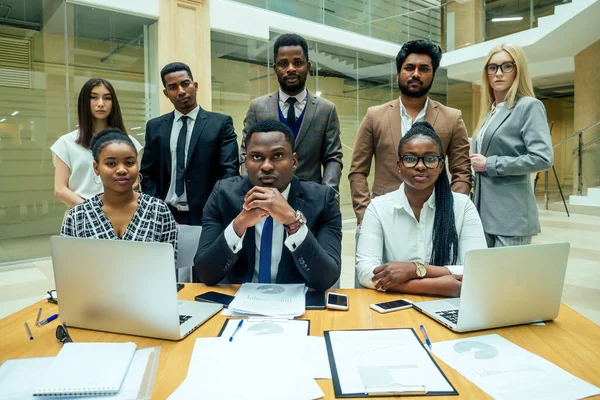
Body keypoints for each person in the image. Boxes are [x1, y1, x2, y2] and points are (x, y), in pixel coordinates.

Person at [194, 120, 342, 291]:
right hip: (238, 302)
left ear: (294, 161)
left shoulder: (323, 200)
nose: (266, 166)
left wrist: (294, 223)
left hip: (298, 305)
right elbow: (205, 273)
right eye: (257, 157)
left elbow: (326, 278)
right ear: (246, 162)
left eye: (277, 156)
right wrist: (239, 224)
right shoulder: (223, 195)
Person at [356, 122, 486, 297]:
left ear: (441, 166)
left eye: (430, 159)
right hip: (396, 305)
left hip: (448, 307)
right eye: (410, 158)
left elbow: (477, 269)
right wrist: (440, 286)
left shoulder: (462, 206)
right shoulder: (378, 207)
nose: (420, 166)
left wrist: (414, 270)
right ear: (399, 165)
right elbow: (365, 272)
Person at [349, 40, 471, 226]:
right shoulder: (375, 116)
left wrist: (450, 213)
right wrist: (365, 214)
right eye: (409, 68)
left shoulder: (452, 118)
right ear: (398, 74)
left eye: (423, 69)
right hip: (383, 216)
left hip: (434, 217)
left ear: (433, 75)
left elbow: (462, 173)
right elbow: (358, 171)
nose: (416, 74)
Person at [470, 43, 553, 248]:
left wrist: (491, 164)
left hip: (511, 216)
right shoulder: (491, 111)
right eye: (493, 67)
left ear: (518, 70)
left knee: (507, 280)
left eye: (507, 66)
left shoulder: (528, 106)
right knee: (486, 278)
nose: (498, 73)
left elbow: (543, 158)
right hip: (483, 213)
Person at [241, 34, 343, 196]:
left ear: (308, 66)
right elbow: (245, 155)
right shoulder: (257, 107)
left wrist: (328, 194)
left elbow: (332, 158)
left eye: (297, 63)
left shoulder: (326, 110)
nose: (291, 68)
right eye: (283, 64)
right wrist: (247, 189)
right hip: (265, 195)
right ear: (275, 68)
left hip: (311, 198)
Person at [140, 62, 239, 225]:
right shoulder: (155, 127)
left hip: (209, 215)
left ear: (195, 85)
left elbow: (229, 171)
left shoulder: (220, 124)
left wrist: (216, 208)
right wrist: (159, 210)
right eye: (173, 87)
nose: (181, 91)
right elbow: (148, 174)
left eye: (185, 84)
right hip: (166, 214)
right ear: (166, 93)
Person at [61, 128, 178, 260]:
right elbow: (68, 269)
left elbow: (168, 267)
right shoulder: (78, 216)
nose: (122, 170)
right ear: (96, 168)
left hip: (148, 281)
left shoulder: (158, 210)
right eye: (111, 163)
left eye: (129, 163)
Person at [51, 78, 142, 208]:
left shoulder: (130, 143)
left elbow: (134, 183)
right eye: (93, 97)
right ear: (84, 102)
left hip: (121, 214)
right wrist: (94, 212)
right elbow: (60, 190)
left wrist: (111, 209)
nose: (101, 103)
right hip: (81, 216)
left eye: (107, 98)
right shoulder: (65, 143)